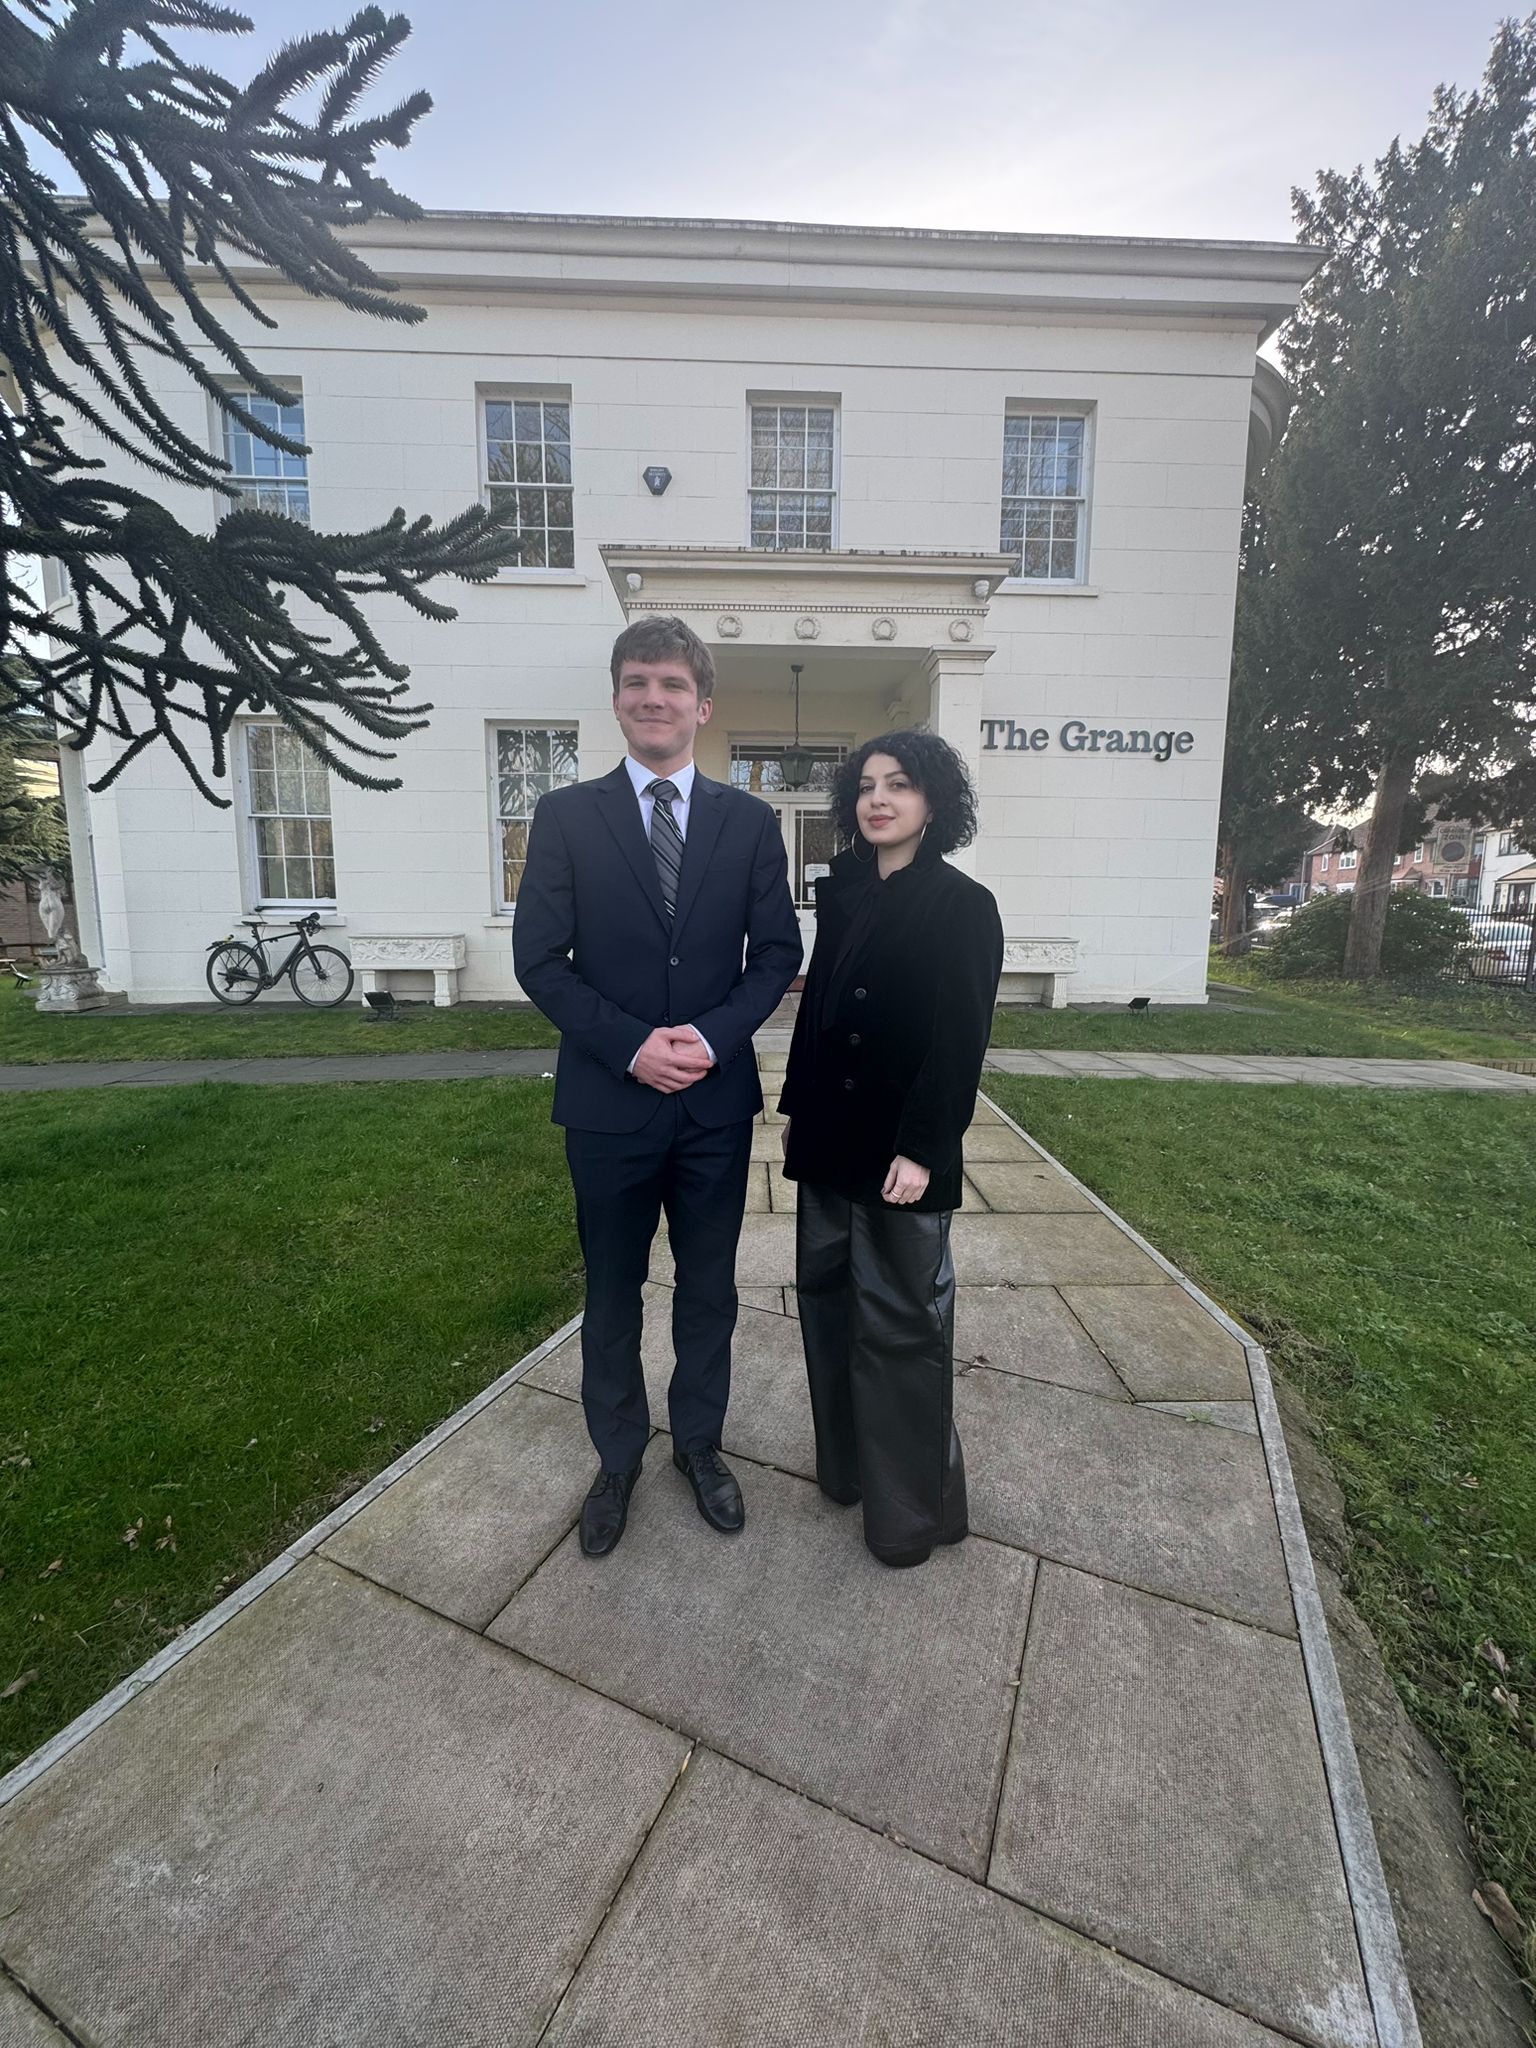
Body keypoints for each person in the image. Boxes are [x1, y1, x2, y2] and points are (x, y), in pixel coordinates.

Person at [514, 617, 801, 1557]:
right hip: (608, 1105)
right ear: (616, 699)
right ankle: (618, 1457)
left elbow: (777, 956)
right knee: (612, 1291)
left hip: (713, 1107)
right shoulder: (565, 817)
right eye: (638, 681)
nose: (654, 698)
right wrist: (633, 1046)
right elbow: (539, 961)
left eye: (673, 684)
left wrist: (710, 1039)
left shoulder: (749, 823)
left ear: (703, 705)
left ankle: (701, 1446)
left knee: (708, 1290)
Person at [779, 730, 1003, 1568]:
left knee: (904, 1327)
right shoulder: (842, 893)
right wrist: (798, 1108)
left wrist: (922, 1148)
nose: (879, 799)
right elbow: (819, 1010)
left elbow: (959, 1042)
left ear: (933, 802)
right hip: (828, 1142)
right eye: (867, 786)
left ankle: (913, 1514)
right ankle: (848, 1471)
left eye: (899, 784)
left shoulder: (963, 905)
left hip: (901, 1151)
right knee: (830, 1304)